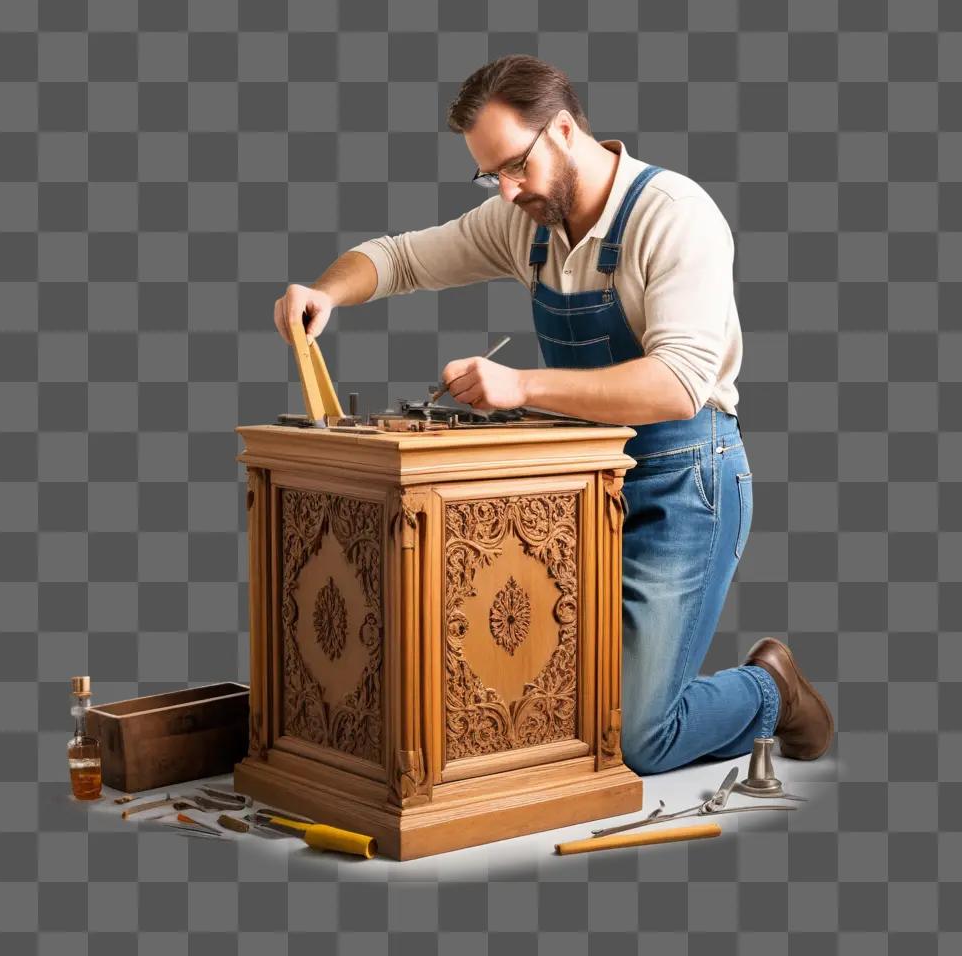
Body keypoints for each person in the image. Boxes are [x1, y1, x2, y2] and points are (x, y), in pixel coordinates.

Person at [274, 55, 833, 775]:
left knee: (634, 735)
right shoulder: (524, 220)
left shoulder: (675, 216)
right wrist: (324, 292)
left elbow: (679, 383)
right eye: (490, 176)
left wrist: (520, 386)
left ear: (564, 129)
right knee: (545, 703)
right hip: (582, 486)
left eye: (514, 166)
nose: (506, 190)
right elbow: (402, 259)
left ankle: (772, 689)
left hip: (684, 485)